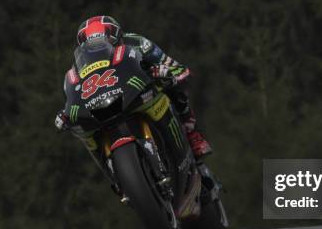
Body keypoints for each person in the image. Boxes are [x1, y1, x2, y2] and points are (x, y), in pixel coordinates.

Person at [55, 15, 212, 159]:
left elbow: (172, 65)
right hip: (107, 101)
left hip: (140, 88)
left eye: (104, 42)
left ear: (117, 37)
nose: (98, 50)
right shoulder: (77, 68)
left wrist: (167, 71)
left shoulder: (138, 43)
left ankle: (192, 134)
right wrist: (66, 113)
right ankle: (111, 168)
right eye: (91, 47)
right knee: (86, 132)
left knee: (173, 88)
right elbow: (74, 94)